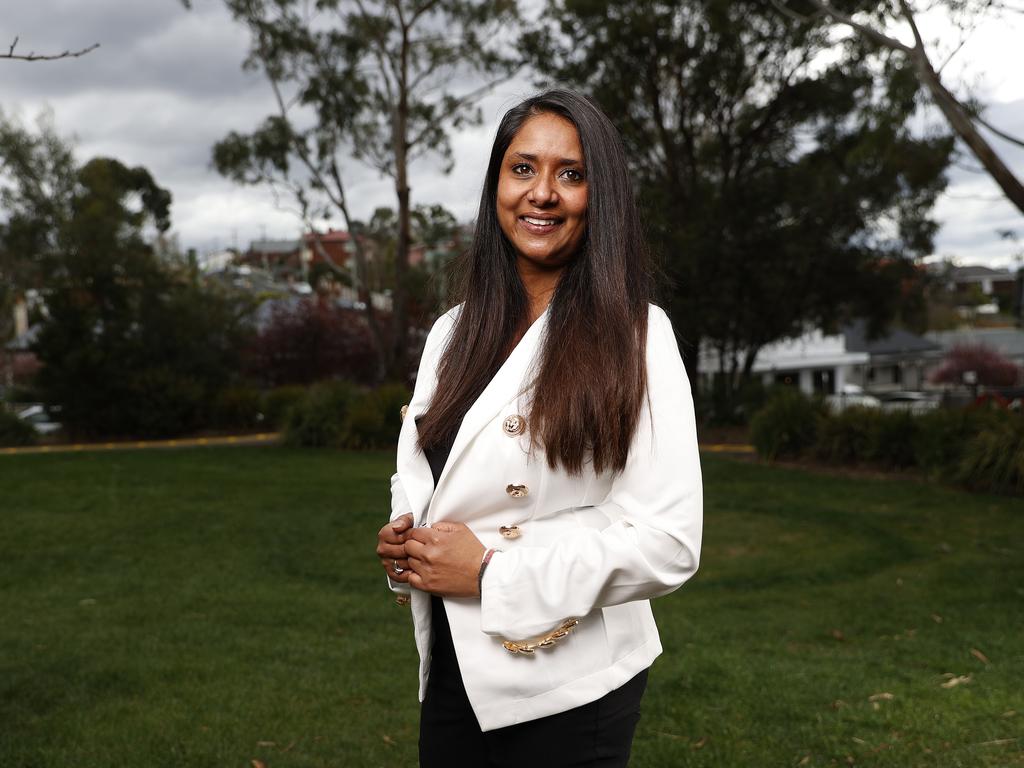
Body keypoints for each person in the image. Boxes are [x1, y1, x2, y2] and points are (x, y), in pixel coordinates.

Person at [375, 89, 703, 767]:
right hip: (453, 661)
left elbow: (669, 542)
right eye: (522, 169)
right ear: (497, 182)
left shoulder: (637, 334)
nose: (542, 194)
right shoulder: (452, 332)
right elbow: (429, 467)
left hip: (569, 681)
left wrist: (492, 572)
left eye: (571, 174)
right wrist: (409, 532)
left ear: (600, 195)